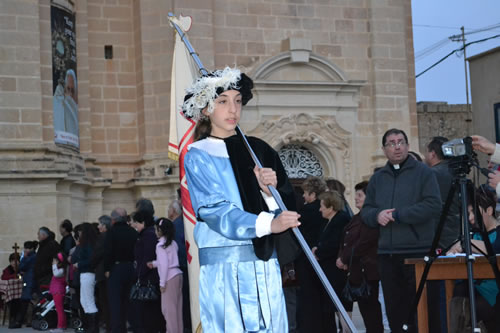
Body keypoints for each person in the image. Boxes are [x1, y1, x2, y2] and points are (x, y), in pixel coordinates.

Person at [183, 67, 301, 332]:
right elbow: (214, 209)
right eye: (223, 101)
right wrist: (268, 224)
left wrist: (270, 194)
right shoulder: (198, 155)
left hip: (264, 263)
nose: (233, 109)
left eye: (237, 101)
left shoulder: (258, 150)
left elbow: (286, 204)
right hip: (225, 268)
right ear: (205, 109)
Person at [361, 128, 442, 333]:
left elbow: (433, 205)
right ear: (384, 149)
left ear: (407, 145)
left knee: (422, 311)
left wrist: (399, 215)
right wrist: (377, 216)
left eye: (401, 142)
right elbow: (366, 210)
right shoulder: (378, 178)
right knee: (395, 311)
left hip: (417, 252)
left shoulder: (424, 172)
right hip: (387, 254)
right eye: (391, 143)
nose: (397, 147)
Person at [447, 187, 500, 331]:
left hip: (493, 295)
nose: (470, 217)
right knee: (460, 291)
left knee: (470, 308)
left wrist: (466, 244)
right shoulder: (471, 235)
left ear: (489, 211)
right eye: (469, 213)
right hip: (472, 291)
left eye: (474, 212)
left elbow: (494, 250)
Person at [337, 181, 383, 333]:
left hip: (367, 270)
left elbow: (364, 242)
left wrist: (344, 258)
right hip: (357, 269)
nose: (356, 198)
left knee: (371, 311)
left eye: (360, 195)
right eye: (356, 195)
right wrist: (343, 257)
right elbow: (346, 240)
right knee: (366, 310)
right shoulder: (358, 217)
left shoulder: (370, 217)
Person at [313, 190, 352, 332]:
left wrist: (318, 252)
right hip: (330, 270)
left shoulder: (341, 220)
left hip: (338, 271)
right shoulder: (328, 221)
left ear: (331, 207)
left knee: (341, 304)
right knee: (335, 305)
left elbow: (335, 244)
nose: (320, 209)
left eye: (322, 205)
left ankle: (347, 330)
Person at [295, 176, 328, 332]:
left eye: (306, 192)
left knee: (308, 296)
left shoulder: (306, 211)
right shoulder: (327, 210)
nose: (303, 196)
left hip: (306, 258)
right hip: (323, 257)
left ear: (313, 194)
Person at [104, 208, 138, 333]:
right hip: (130, 268)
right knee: (127, 301)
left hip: (116, 269)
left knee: (115, 303)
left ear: (113, 220)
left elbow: (107, 252)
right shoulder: (133, 232)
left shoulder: (111, 233)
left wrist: (107, 269)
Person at [131, 209, 165, 333]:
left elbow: (146, 258)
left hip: (149, 278)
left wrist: (140, 275)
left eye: (136, 222)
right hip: (151, 277)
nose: (134, 225)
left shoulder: (147, 235)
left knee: (148, 313)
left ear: (143, 222)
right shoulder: (148, 234)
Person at [148, 217, 183, 333]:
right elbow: (168, 261)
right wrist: (154, 264)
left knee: (168, 310)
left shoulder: (160, 245)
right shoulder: (173, 243)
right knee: (177, 309)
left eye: (156, 229)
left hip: (169, 277)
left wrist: (162, 283)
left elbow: (164, 265)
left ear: (160, 230)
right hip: (177, 274)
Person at [167, 199, 191, 332]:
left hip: (180, 268)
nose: (168, 211)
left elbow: (179, 249)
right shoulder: (181, 223)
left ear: (174, 211)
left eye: (170, 208)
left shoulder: (175, 226)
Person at [74, 222, 99, 332]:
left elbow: (91, 260)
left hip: (88, 273)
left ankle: (93, 328)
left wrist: (79, 264)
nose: (79, 233)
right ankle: (90, 327)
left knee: (88, 301)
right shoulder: (89, 243)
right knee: (84, 301)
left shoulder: (88, 244)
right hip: (85, 273)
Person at [91, 215, 112, 332]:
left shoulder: (103, 237)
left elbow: (97, 255)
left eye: (99, 224)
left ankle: (109, 326)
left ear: (104, 226)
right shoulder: (111, 236)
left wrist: (92, 264)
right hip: (109, 272)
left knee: (105, 302)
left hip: (102, 273)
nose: (98, 227)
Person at [14, 240, 39, 328]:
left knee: (25, 301)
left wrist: (23, 258)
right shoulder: (34, 256)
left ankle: (19, 322)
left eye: (27, 248)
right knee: (29, 302)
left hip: (29, 281)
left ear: (31, 248)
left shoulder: (30, 257)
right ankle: (27, 321)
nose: (25, 250)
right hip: (30, 280)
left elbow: (21, 266)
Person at [49, 252, 67, 333]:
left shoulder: (61, 270)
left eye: (55, 260)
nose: (53, 262)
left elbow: (55, 274)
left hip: (58, 291)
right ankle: (63, 325)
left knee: (59, 309)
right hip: (57, 291)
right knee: (60, 309)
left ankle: (60, 327)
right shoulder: (59, 269)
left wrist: (54, 265)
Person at [2, 252, 21, 328]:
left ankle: (18, 320)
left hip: (20, 292)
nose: (14, 262)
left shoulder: (21, 268)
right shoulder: (7, 269)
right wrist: (13, 276)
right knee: (12, 301)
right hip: (10, 293)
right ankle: (12, 319)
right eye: (12, 261)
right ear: (10, 261)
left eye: (16, 261)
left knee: (21, 301)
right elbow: (3, 277)